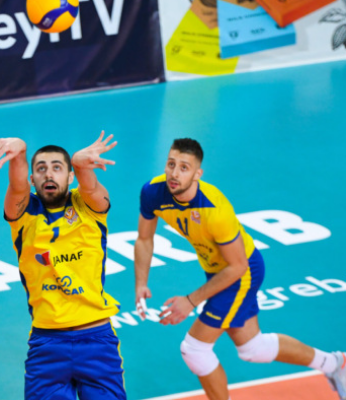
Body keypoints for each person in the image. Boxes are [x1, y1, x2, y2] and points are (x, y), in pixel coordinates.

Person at [134, 138, 346, 400]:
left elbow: (237, 266)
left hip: (240, 272)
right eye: (171, 164)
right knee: (253, 348)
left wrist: (190, 301)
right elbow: (144, 238)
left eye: (184, 167)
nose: (175, 174)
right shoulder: (153, 192)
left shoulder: (214, 209)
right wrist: (141, 282)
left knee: (195, 349)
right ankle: (336, 364)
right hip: (217, 270)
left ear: (198, 174)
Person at [0, 131, 126, 400]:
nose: (48, 174)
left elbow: (92, 188)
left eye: (57, 168)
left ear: (70, 177)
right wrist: (19, 152)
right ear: (32, 179)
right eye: (41, 169)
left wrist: (81, 163)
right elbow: (17, 187)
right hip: (47, 345)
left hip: (96, 339)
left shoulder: (89, 205)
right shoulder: (23, 215)